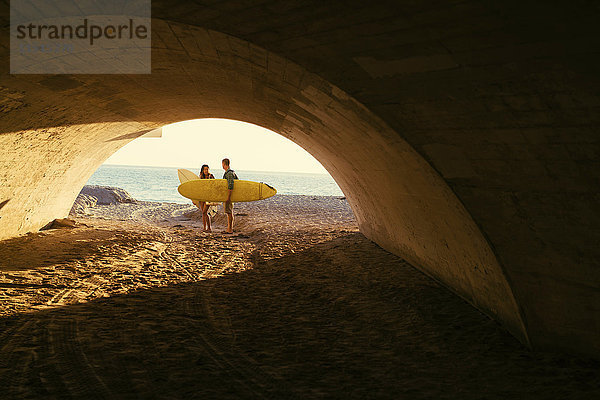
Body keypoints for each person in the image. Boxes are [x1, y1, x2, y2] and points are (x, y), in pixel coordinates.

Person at [221, 158, 238, 234]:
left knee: (229, 212)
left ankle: (230, 229)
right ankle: (229, 228)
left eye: (222, 164)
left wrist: (228, 197)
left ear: (224, 164)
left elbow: (231, 186)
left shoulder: (229, 173)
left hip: (229, 196)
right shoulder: (229, 173)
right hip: (229, 195)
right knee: (228, 212)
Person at [199, 164, 215, 232]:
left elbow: (214, 186)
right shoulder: (201, 177)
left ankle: (208, 228)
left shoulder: (211, 176)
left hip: (208, 197)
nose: (206, 170)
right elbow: (198, 187)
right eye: (205, 169)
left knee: (204, 212)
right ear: (202, 170)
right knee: (203, 213)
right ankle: (205, 228)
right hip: (202, 197)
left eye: (207, 169)